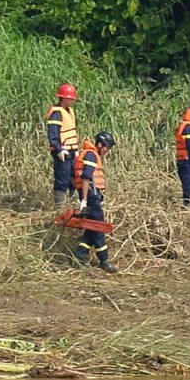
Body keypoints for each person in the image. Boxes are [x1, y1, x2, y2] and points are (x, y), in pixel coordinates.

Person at [69, 130, 117, 272]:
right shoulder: (91, 155)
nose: (107, 151)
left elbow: (73, 176)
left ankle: (79, 255)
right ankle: (104, 260)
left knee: (91, 230)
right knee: (99, 228)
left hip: (90, 197)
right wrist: (84, 200)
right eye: (107, 147)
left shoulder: (87, 155)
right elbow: (85, 177)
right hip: (91, 198)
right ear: (100, 144)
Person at [44, 84, 79, 209]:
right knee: (62, 178)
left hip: (71, 150)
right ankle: (60, 206)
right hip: (62, 151)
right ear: (63, 98)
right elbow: (53, 133)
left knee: (74, 177)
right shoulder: (57, 113)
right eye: (70, 98)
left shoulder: (69, 111)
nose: (72, 101)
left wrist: (75, 150)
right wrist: (59, 149)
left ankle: (74, 203)